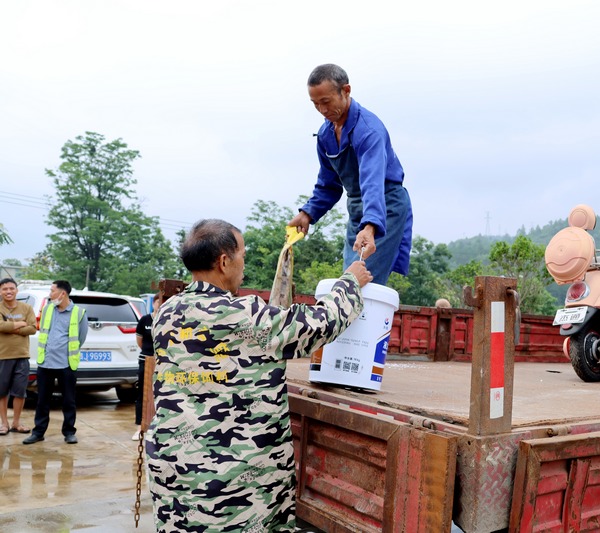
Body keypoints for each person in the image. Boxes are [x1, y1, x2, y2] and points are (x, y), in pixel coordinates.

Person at [146, 219, 372, 532]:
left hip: (174, 473)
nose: (243, 266)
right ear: (224, 262)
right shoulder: (244, 314)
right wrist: (350, 280)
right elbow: (320, 324)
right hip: (231, 486)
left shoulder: (167, 313)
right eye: (242, 256)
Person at [289, 63, 413, 286]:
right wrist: (308, 213)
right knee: (349, 280)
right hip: (357, 210)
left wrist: (371, 226)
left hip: (384, 206)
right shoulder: (326, 134)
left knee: (362, 282)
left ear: (346, 91)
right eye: (315, 104)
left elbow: (372, 182)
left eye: (326, 101)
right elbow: (328, 184)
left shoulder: (369, 131)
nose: (322, 110)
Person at [23, 280, 88, 445]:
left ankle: (69, 432)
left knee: (68, 401)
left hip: (66, 364)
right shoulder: (47, 309)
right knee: (42, 401)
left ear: (62, 293)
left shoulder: (79, 313)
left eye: (52, 291)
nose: (50, 294)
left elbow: (80, 338)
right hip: (45, 363)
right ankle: (38, 432)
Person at [0, 278, 36, 436]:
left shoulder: (27, 308)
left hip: (22, 355)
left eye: (11, 288)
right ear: (0, 292)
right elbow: (0, 326)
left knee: (20, 391)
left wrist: (10, 328)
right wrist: (20, 324)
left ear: (16, 290)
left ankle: (16, 422)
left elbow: (33, 328)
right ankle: (4, 423)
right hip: (2, 355)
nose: (8, 291)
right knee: (2, 392)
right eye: (5, 289)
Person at [132, 292, 162, 441]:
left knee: (160, 394)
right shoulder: (144, 320)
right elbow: (140, 341)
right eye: (157, 302)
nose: (159, 304)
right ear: (153, 303)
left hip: (162, 362)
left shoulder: (166, 320)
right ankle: (140, 427)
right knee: (142, 395)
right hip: (146, 360)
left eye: (162, 302)